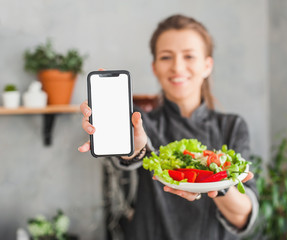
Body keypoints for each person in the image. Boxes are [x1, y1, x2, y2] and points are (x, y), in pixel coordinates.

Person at [79, 14, 259, 240]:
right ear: (155, 67)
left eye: (189, 56)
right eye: (166, 57)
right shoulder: (142, 120)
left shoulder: (232, 126)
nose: (177, 67)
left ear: (207, 65)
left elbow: (243, 216)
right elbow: (135, 152)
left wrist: (219, 181)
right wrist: (132, 149)